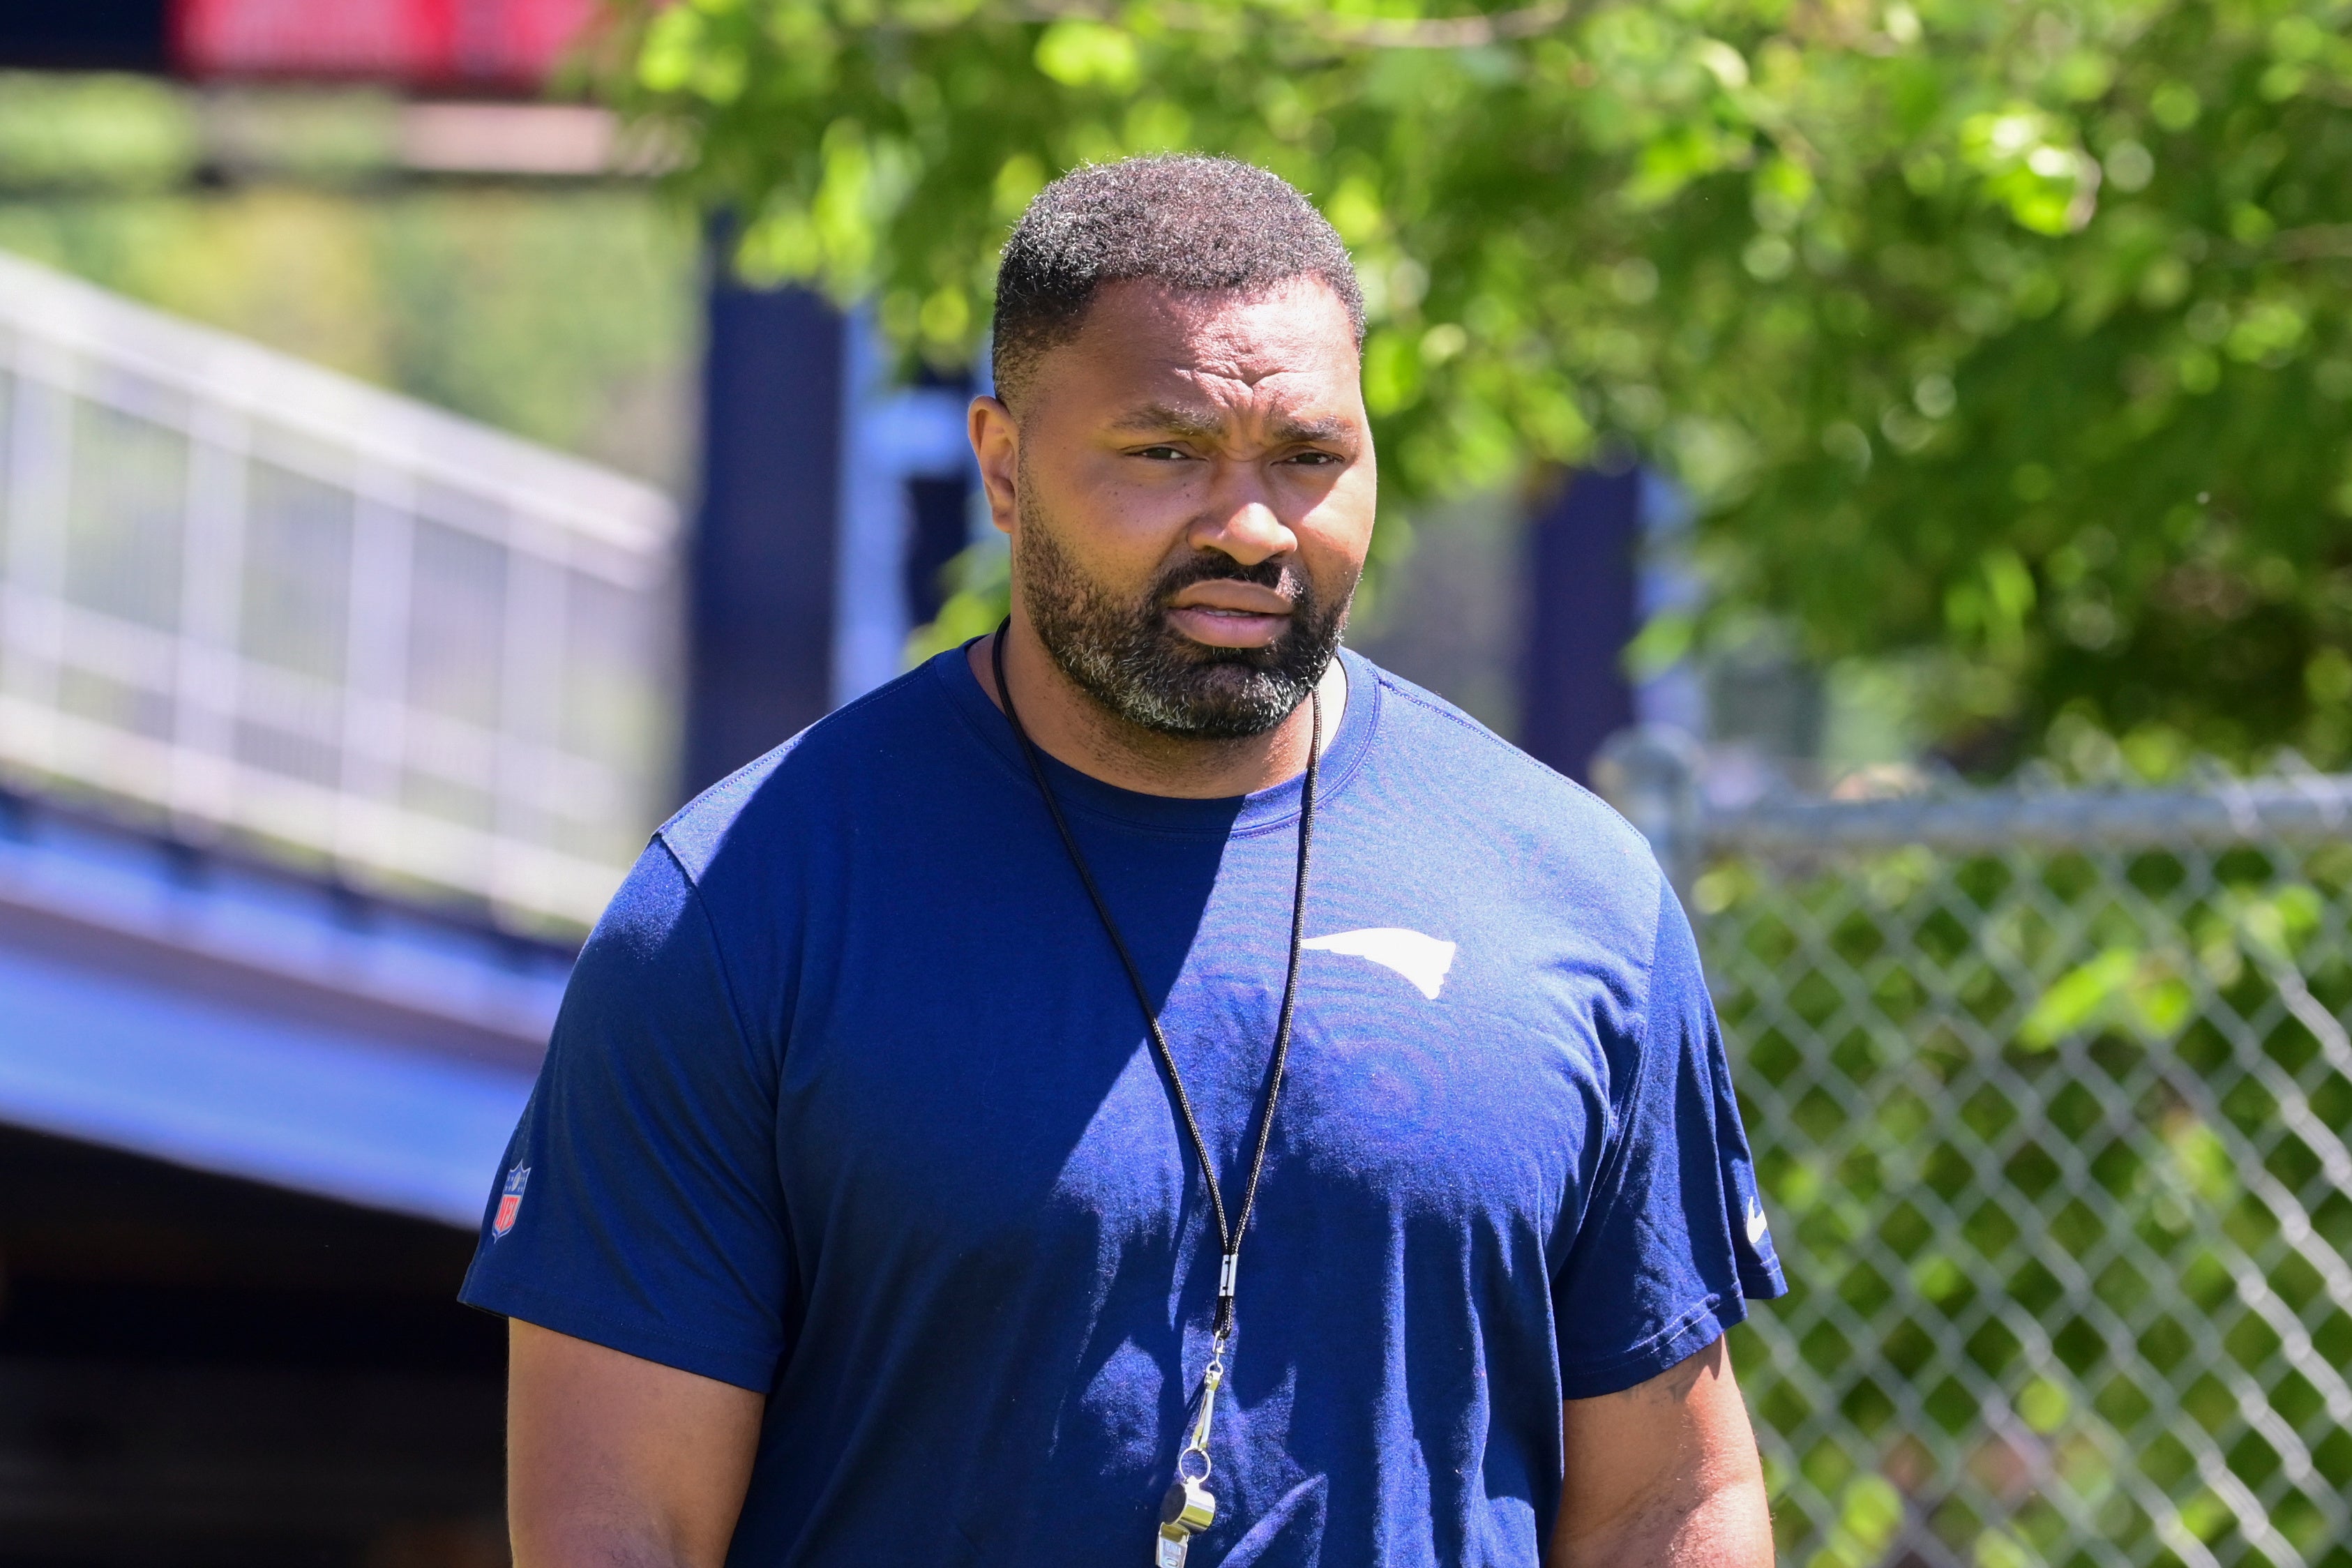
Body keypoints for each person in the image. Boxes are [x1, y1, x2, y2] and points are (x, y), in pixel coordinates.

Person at [462, 154, 1786, 1568]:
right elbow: (621, 1523)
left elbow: (1671, 1497)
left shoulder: (1569, 890)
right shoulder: (739, 907)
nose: (1252, 525)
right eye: (1165, 452)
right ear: (1003, 467)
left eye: (1310, 456)